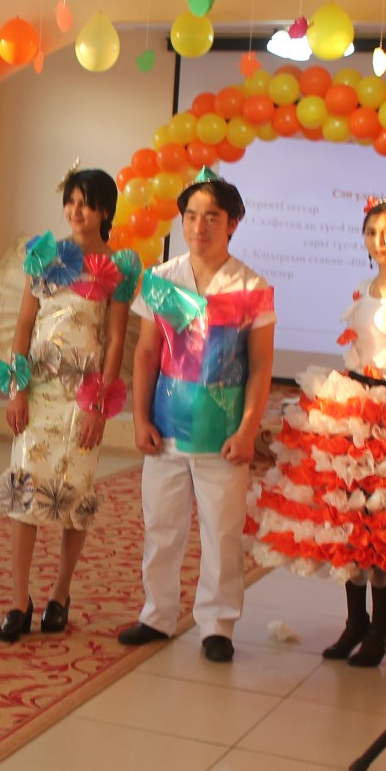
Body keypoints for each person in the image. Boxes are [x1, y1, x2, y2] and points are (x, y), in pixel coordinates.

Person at [250, 196, 386, 667]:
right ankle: (355, 623)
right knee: (349, 521)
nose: (379, 241)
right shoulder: (363, 287)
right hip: (353, 410)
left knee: (382, 525)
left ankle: (383, 628)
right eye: (371, 233)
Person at [116, 169, 275, 663]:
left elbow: (261, 365)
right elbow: (146, 353)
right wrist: (140, 419)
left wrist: (248, 428)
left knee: (222, 532)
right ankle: (156, 615)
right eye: (191, 216)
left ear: (233, 223)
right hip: (165, 424)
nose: (199, 226)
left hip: (222, 431)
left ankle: (217, 624)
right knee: (161, 525)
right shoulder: (162, 279)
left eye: (212, 217)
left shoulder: (251, 286)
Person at [0, 167, 141, 641]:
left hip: (83, 395)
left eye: (86, 203)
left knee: (74, 493)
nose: (76, 211)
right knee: (24, 490)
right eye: (71, 201)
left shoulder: (119, 267)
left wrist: (99, 405)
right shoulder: (44, 255)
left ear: (105, 211)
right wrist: (17, 389)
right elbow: (23, 326)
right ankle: (19, 599)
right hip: (38, 389)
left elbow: (115, 340)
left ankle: (60, 592)